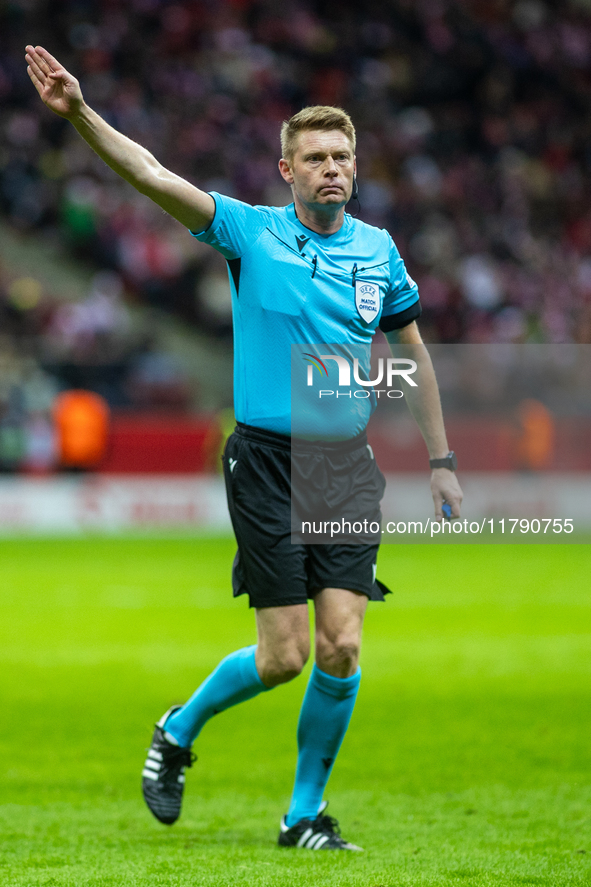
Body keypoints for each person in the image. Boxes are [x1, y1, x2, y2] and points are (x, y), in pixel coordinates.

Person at [26, 44, 463, 851]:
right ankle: (178, 726)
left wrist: (440, 460)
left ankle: (303, 814)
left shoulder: (379, 251)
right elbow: (154, 175)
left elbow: (412, 354)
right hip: (265, 459)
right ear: (285, 170)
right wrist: (82, 114)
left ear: (355, 169)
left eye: (341, 157)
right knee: (283, 654)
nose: (330, 169)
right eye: (314, 158)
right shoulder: (248, 232)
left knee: (341, 641)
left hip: (345, 467)